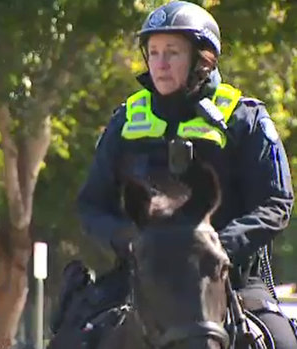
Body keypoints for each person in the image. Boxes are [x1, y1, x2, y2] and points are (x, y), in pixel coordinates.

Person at [77, 1, 296, 348]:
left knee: (283, 343)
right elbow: (91, 205)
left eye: (172, 53)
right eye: (153, 52)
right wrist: (131, 242)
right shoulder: (124, 120)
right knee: (71, 336)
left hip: (229, 277)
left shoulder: (245, 118)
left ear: (202, 59)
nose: (160, 64)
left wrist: (218, 248)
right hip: (140, 276)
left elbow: (276, 201)